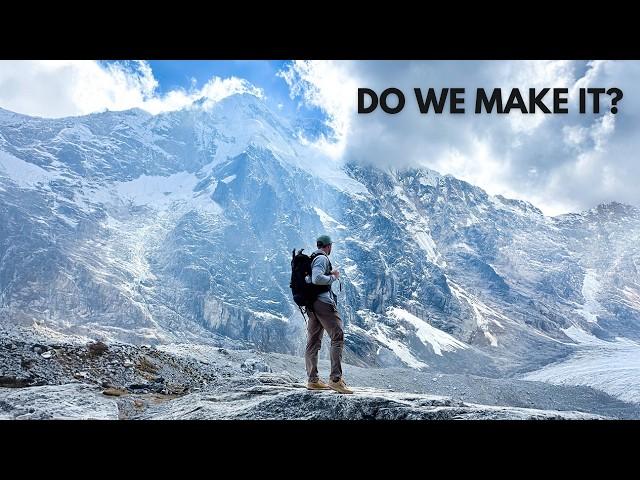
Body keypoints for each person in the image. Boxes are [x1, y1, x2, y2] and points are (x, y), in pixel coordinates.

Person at [304, 234, 353, 394]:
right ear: (328, 246)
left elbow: (310, 279)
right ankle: (335, 380)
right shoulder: (322, 258)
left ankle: (313, 380)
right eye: (331, 245)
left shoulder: (312, 258)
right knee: (337, 335)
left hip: (312, 304)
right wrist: (333, 277)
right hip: (323, 303)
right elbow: (317, 279)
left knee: (313, 340)